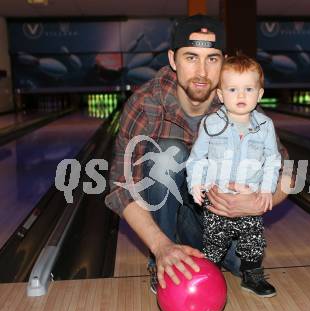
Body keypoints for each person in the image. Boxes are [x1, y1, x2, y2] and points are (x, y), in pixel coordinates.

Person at [105, 14, 290, 293]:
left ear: (223, 61)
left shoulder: (241, 106)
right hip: (161, 217)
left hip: (213, 218)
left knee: (245, 265)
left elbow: (287, 173)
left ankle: (198, 247)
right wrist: (160, 246)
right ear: (173, 60)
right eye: (191, 57)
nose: (202, 71)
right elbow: (120, 187)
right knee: (169, 152)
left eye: (212, 58)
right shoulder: (147, 103)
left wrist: (260, 203)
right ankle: (164, 258)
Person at [186, 55, 280, 297]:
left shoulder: (265, 126)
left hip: (250, 199)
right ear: (220, 95)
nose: (241, 95)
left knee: (253, 242)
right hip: (217, 199)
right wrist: (196, 183)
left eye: (248, 89)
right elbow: (197, 158)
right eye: (233, 89)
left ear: (259, 94)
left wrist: (267, 189)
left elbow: (272, 160)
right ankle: (211, 277)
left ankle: (252, 276)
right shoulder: (210, 124)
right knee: (214, 243)